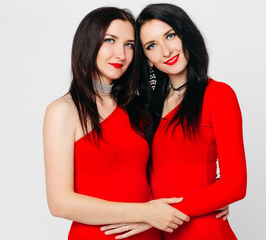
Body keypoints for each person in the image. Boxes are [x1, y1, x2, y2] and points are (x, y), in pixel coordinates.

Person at [43, 7, 194, 240]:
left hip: (150, 233)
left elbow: (172, 169)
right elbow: (60, 203)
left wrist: (206, 204)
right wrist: (144, 213)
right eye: (110, 41)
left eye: (130, 45)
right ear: (88, 42)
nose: (121, 54)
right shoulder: (64, 110)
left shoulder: (138, 108)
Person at [102, 3, 246, 239]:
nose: (166, 51)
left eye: (170, 35)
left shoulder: (218, 95)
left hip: (203, 232)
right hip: (162, 234)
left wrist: (158, 217)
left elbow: (235, 184)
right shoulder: (145, 107)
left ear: (185, 35)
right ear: (147, 58)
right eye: (152, 46)